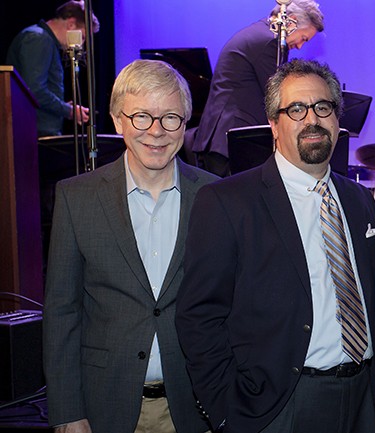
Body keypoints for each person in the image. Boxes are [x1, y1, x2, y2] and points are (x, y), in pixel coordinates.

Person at [176, 59, 375, 433]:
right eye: (296, 110)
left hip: (363, 401)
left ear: (337, 119)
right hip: (278, 406)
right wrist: (225, 410)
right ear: (274, 124)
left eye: (323, 107)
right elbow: (199, 316)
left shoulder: (360, 200)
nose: (312, 120)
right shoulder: (227, 202)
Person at [42, 59, 218, 433]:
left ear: (185, 124)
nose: (156, 131)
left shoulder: (216, 196)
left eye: (171, 117)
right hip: (104, 406)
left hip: (195, 408)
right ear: (118, 120)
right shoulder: (77, 198)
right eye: (141, 116)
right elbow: (62, 312)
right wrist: (67, 411)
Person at [191, 0, 324, 177]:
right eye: (304, 38)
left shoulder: (259, 34)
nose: (300, 46)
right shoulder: (269, 43)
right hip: (231, 143)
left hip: (222, 139)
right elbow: (279, 97)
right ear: (290, 21)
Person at [6, 0, 97, 137]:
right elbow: (34, 91)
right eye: (82, 37)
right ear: (71, 24)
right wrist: (69, 110)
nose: (81, 45)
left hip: (37, 130)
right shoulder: (39, 39)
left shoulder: (44, 40)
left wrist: (62, 106)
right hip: (35, 133)